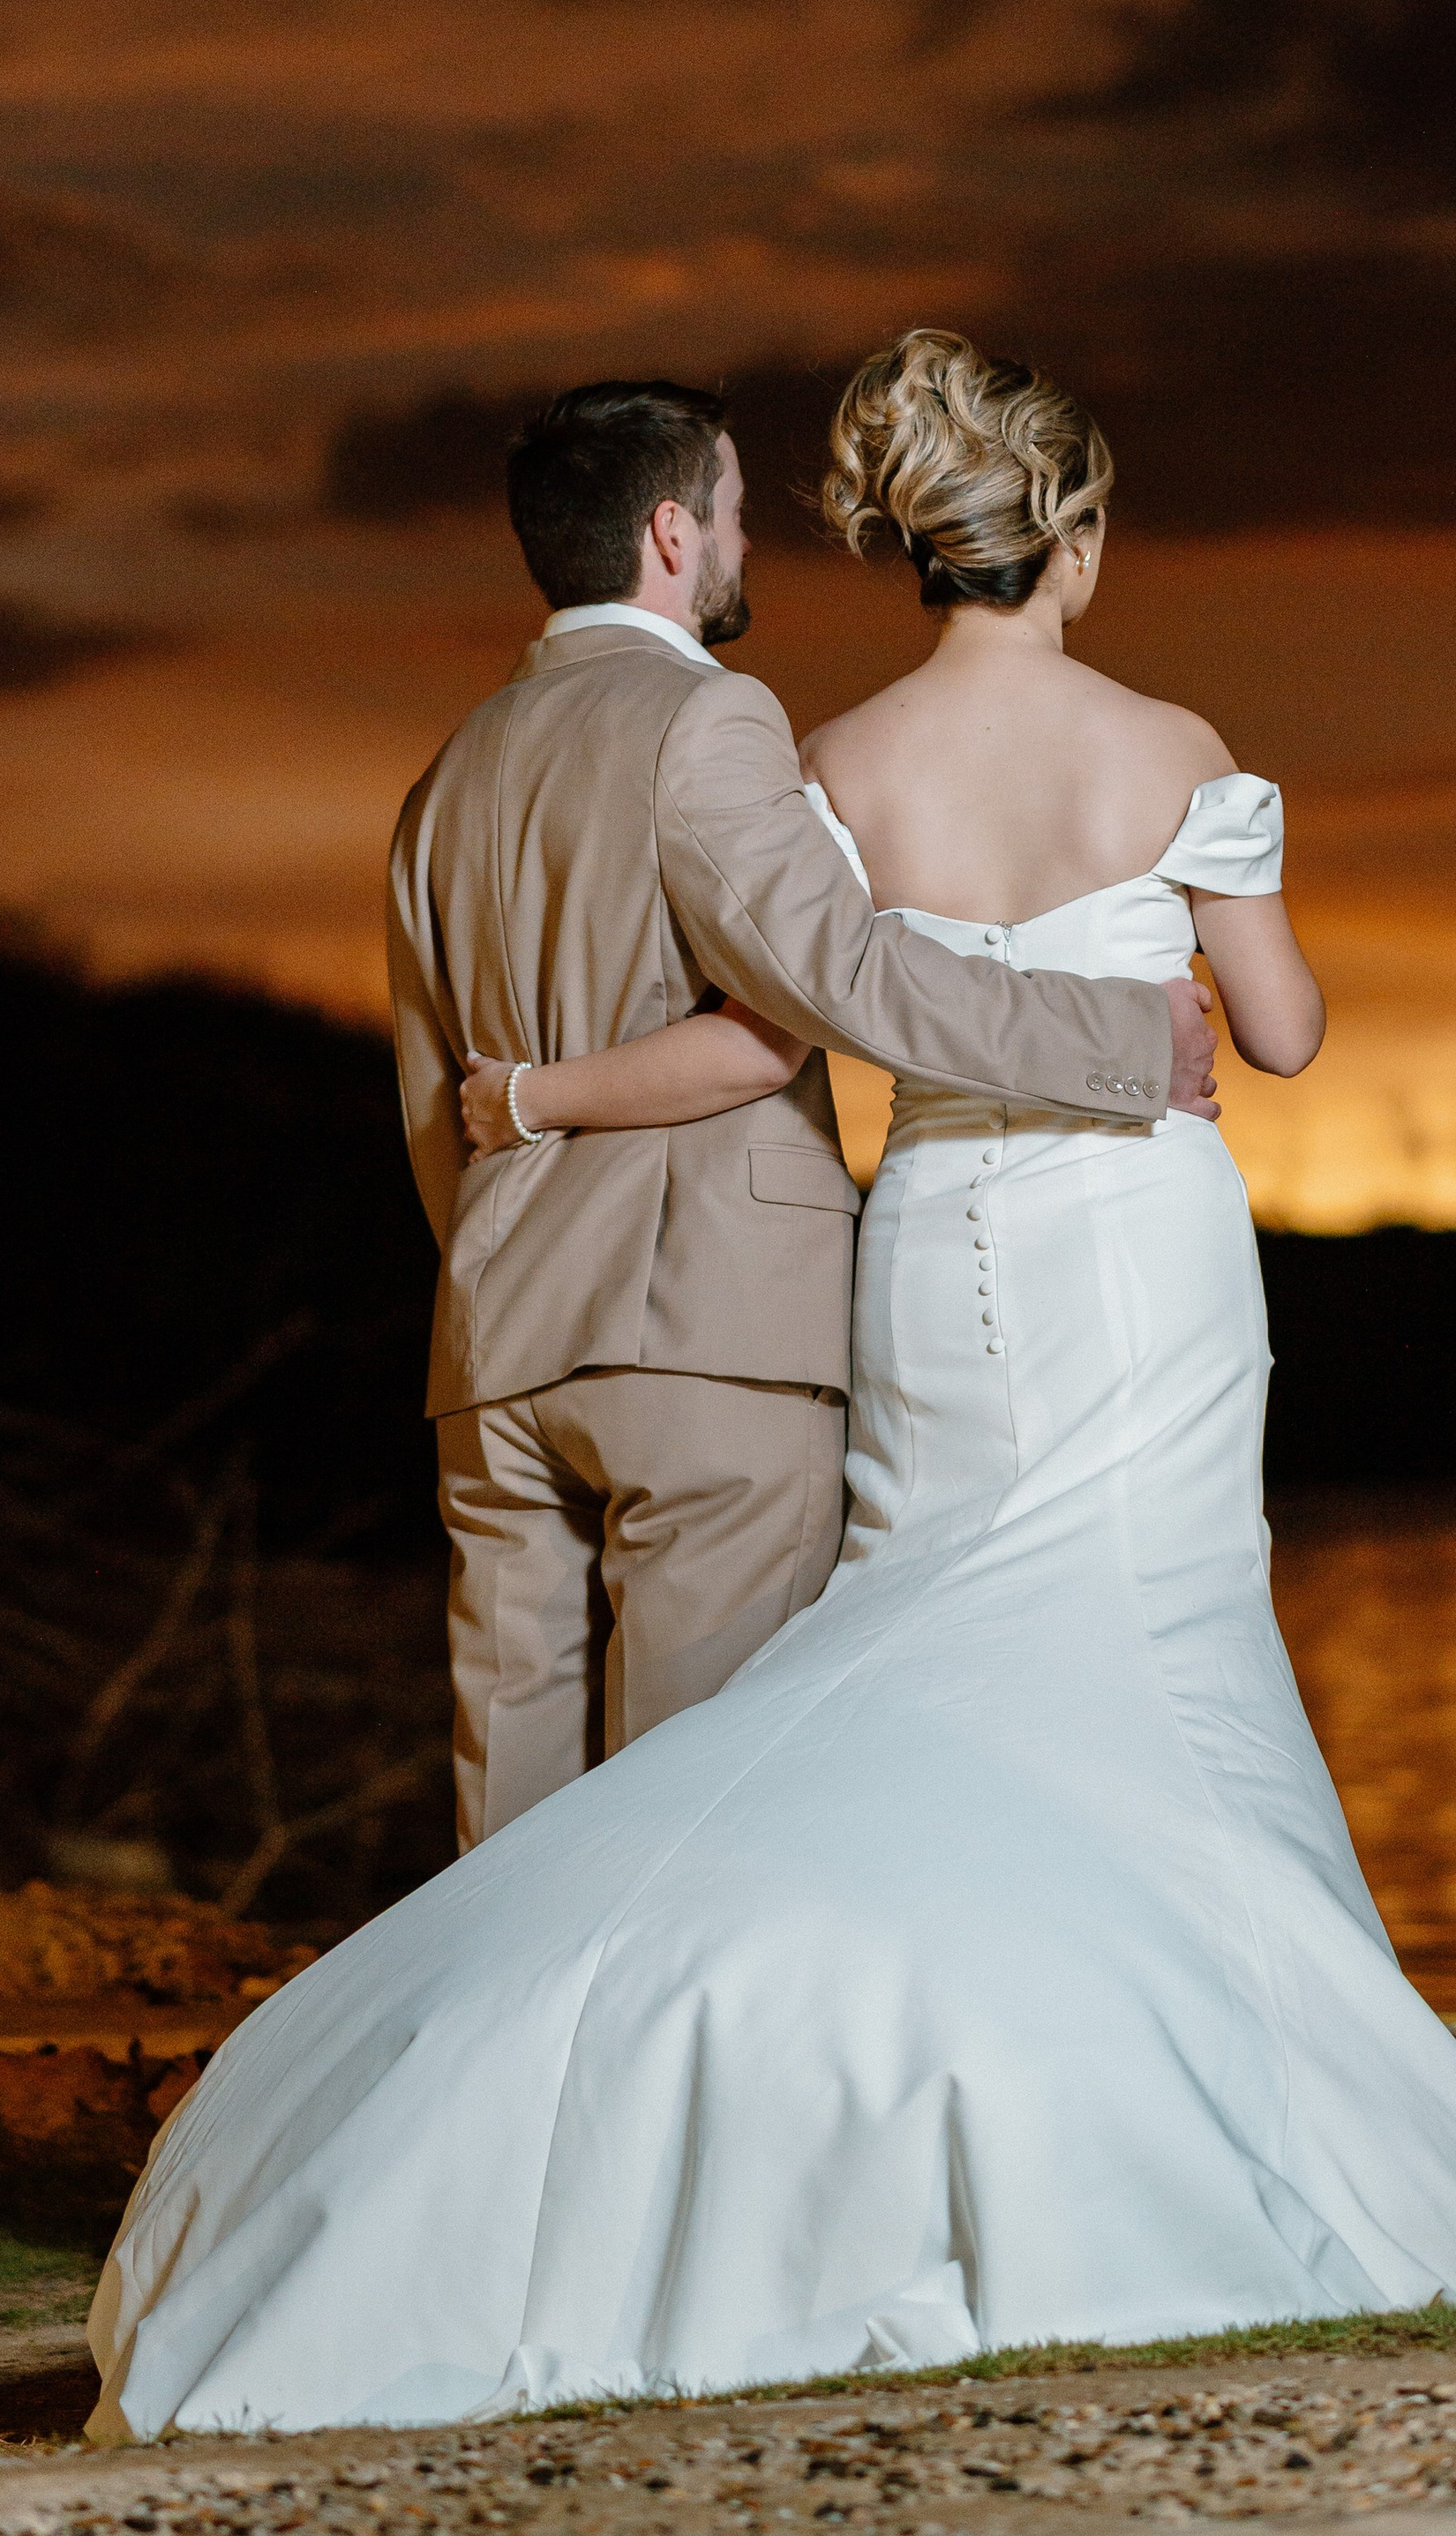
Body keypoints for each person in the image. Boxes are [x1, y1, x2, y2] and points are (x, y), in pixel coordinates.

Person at [87, 331, 1456, 2437]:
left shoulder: (753, 763)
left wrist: (516, 1138)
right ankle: (920, 2135)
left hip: (788, 1276)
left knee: (770, 1704)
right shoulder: (1075, 741)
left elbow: (680, 1047)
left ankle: (498, 2180)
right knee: (1036, 1665)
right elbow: (1244, 1028)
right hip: (1083, 1249)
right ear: (1070, 533)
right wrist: (1142, 1002)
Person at [379, 375, 1216, 1855]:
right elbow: (835, 974)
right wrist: (1114, 1034)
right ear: (667, 532)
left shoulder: (446, 777)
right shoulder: (705, 721)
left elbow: (430, 1098)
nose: (743, 539)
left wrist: (502, 1268)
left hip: (496, 1345)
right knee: (702, 1821)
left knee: (502, 1847)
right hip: (704, 1335)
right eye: (734, 512)